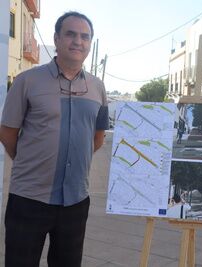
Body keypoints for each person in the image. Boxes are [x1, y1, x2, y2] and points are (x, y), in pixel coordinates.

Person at [0, 11, 109, 267]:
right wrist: (31, 159)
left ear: (90, 44)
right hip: (29, 198)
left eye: (85, 37)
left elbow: (98, 137)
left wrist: (71, 157)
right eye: (70, 34)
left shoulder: (97, 87)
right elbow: (7, 132)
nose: (78, 41)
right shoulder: (27, 81)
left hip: (75, 201)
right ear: (57, 39)